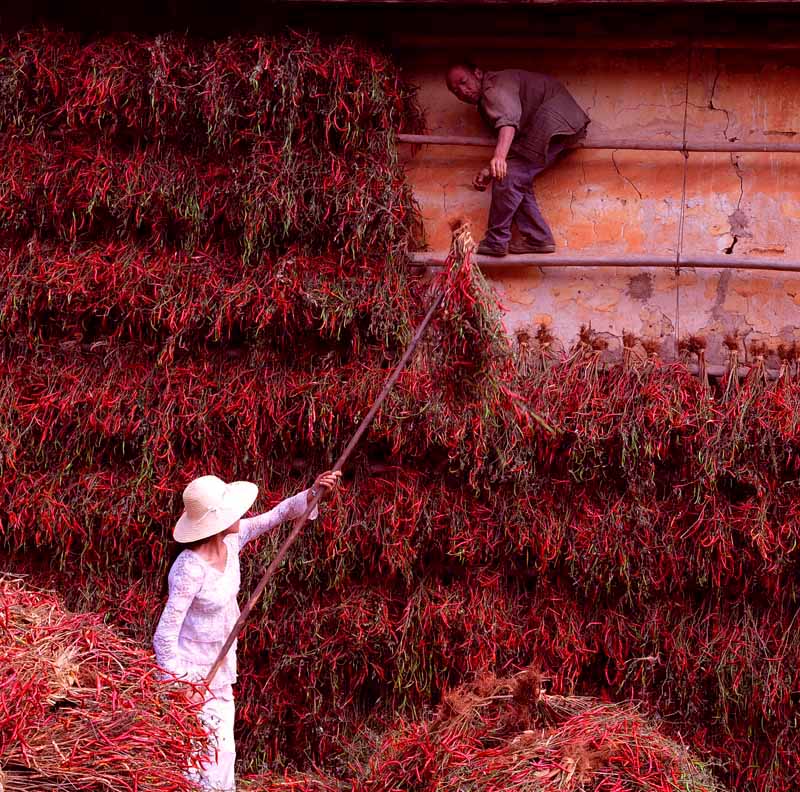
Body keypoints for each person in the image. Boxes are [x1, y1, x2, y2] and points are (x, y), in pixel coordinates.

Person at [153, 470, 341, 792]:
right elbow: (164, 636)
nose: (240, 515)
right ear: (214, 523)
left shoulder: (232, 539)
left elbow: (278, 515)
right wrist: (185, 686)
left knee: (224, 752)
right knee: (198, 761)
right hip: (191, 672)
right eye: (231, 511)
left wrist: (312, 493)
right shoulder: (189, 568)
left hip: (220, 668)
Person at [446, 62, 590, 256]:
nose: (463, 91)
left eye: (464, 82)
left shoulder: (494, 87)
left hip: (555, 120)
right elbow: (514, 137)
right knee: (515, 176)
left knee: (508, 175)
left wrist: (499, 157)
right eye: (456, 91)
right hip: (552, 123)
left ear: (478, 73)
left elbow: (509, 120)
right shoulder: (486, 98)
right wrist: (491, 168)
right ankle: (538, 238)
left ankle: (496, 240)